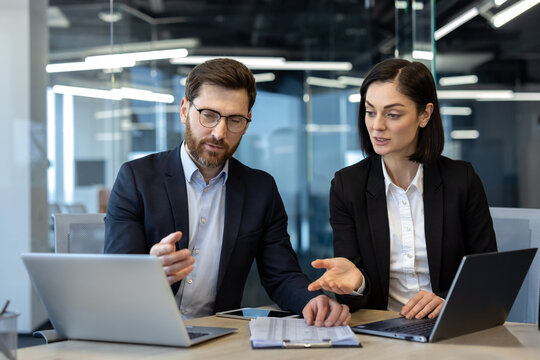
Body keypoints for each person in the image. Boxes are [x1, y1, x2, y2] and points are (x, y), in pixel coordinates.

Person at [104, 58, 350, 327]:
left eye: (234, 120)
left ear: (247, 123)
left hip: (218, 336)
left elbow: (281, 274)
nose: (219, 133)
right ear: (185, 110)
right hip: (145, 331)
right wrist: (147, 271)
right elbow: (116, 275)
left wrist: (311, 301)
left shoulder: (260, 189)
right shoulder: (137, 178)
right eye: (208, 115)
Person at [308, 58, 497, 320]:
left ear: (425, 114)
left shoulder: (461, 180)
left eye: (392, 114)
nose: (377, 126)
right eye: (370, 111)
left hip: (447, 327)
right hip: (380, 332)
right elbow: (349, 294)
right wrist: (356, 283)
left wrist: (447, 300)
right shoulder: (347, 186)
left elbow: (488, 275)